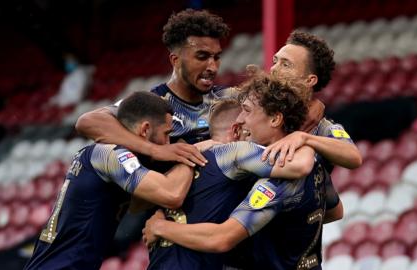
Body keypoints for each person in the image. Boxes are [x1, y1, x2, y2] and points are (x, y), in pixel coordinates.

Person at [143, 75, 343, 270]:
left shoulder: (277, 179)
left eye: (247, 110)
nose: (240, 119)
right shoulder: (315, 162)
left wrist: (160, 227)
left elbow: (221, 238)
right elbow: (335, 210)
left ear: (275, 119)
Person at [24, 92, 197, 270]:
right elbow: (172, 195)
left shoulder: (100, 154)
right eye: (166, 134)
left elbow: (138, 205)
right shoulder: (111, 153)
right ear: (145, 130)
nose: (168, 143)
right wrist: (192, 151)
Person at [75, 8, 233, 167]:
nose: (213, 67)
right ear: (175, 60)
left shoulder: (228, 99)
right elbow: (87, 122)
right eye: (202, 57)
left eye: (217, 57)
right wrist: (156, 150)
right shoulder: (152, 104)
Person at [261, 30, 362, 170]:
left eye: (285, 65)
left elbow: (354, 157)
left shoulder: (320, 126)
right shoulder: (254, 110)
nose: (273, 69)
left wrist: (305, 138)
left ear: (310, 80)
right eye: (275, 61)